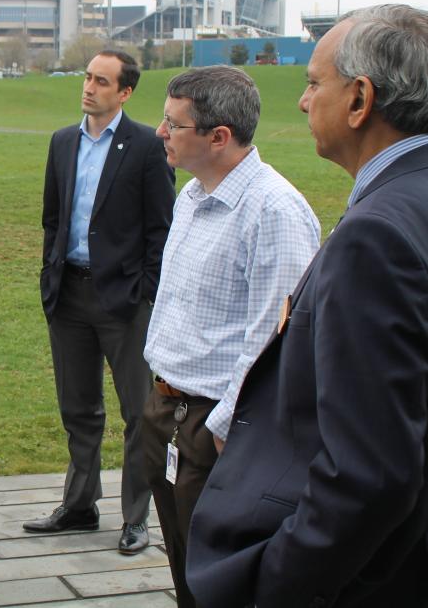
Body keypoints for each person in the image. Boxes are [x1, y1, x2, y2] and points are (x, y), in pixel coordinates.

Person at [187, 5, 428, 608]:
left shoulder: (378, 234)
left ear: (360, 100)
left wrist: (276, 582)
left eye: (314, 83)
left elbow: (369, 474)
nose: (301, 102)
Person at [142, 66, 320, 607]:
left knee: (218, 581)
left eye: (174, 124)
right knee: (181, 563)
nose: (159, 132)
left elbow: (274, 338)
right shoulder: (192, 196)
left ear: (219, 136)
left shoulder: (275, 211)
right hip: (166, 410)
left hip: (215, 424)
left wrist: (223, 429)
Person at [24, 49, 175, 557]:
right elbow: (52, 218)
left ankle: (136, 518)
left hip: (124, 302)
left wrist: (145, 293)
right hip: (68, 295)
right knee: (78, 408)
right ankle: (79, 505)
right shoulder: (62, 142)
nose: (89, 87)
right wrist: (51, 272)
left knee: (139, 413)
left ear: (125, 92)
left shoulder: (146, 148)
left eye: (102, 81)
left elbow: (161, 228)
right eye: (88, 77)